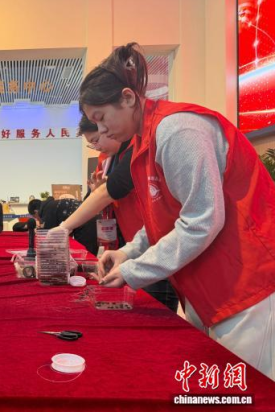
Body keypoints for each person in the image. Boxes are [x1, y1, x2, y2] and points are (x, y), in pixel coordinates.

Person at [79, 42, 275, 379]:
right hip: (205, 284)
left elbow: (201, 221)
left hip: (244, 282)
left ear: (128, 98)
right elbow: (164, 217)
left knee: (246, 388)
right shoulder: (142, 142)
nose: (101, 131)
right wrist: (128, 252)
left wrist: (134, 271)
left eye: (101, 118)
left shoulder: (177, 130)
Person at [64, 115, 179, 312]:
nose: (97, 147)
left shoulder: (138, 149)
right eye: (92, 143)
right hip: (133, 242)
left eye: (97, 139)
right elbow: (97, 197)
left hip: (158, 243)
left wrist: (64, 227)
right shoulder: (106, 160)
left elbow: (108, 192)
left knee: (156, 309)